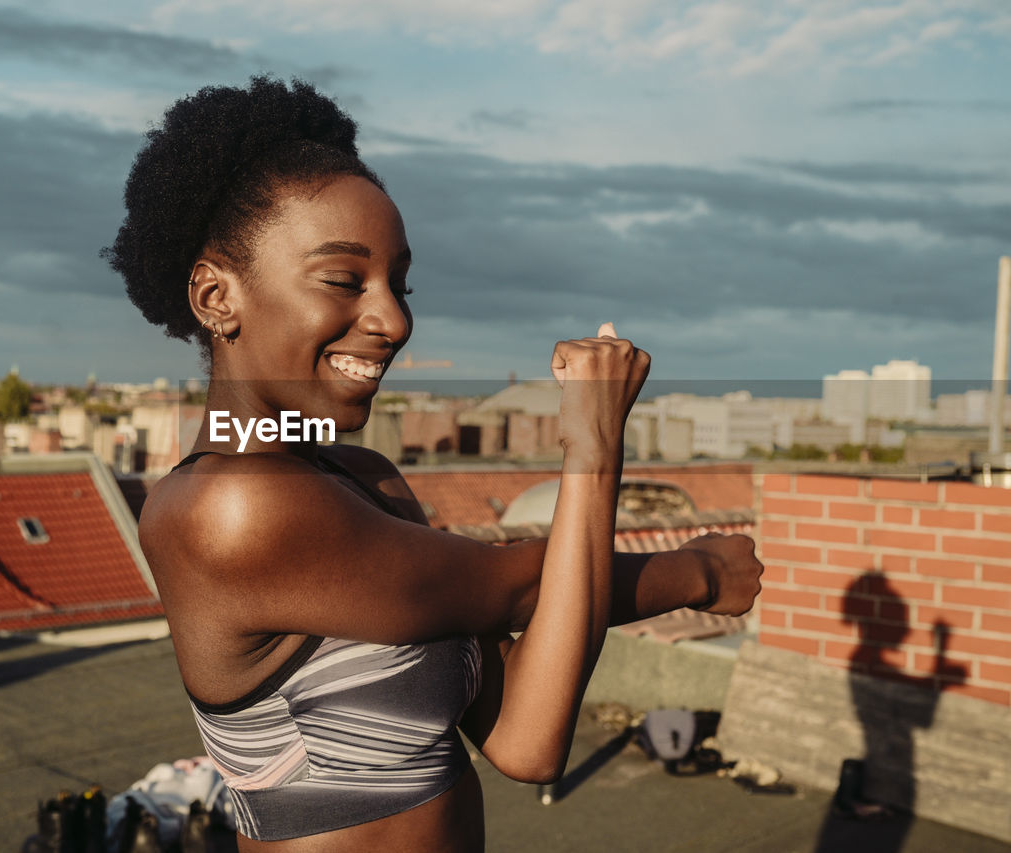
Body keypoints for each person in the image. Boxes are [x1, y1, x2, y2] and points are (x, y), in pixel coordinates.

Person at [104, 76, 762, 852]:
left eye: (399, 284)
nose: (393, 319)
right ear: (217, 296)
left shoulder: (366, 478)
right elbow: (516, 585)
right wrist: (685, 559)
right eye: (345, 280)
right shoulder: (227, 510)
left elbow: (527, 737)